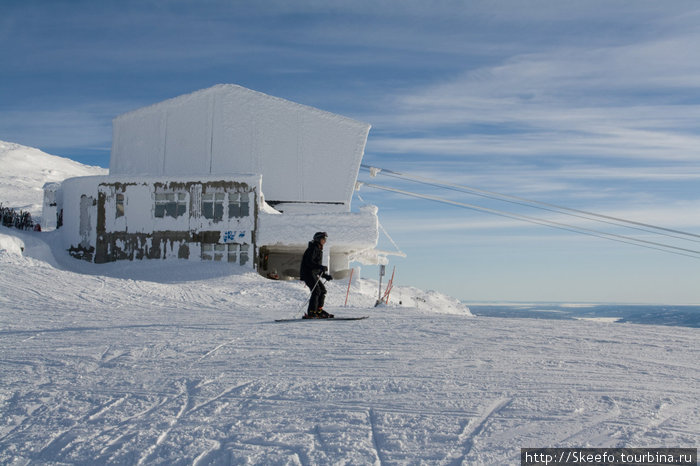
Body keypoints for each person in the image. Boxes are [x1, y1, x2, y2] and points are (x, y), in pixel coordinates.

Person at [300, 231, 334, 318]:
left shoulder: (318, 249)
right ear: (318, 239)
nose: (325, 241)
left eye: (325, 239)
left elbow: (316, 267)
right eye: (323, 239)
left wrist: (325, 275)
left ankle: (318, 310)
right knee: (316, 291)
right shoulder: (313, 248)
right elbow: (309, 262)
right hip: (307, 273)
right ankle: (312, 312)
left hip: (313, 274)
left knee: (322, 290)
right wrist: (320, 266)